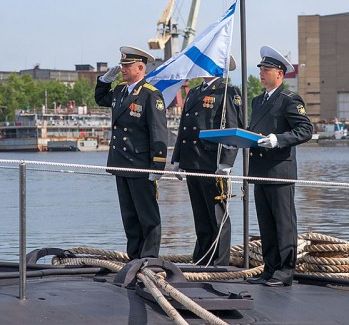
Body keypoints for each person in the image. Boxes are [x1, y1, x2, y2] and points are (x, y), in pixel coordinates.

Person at [246, 45, 313, 287]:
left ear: (280, 74)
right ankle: (270, 268)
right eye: (261, 68)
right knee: (266, 223)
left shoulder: (289, 99)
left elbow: (306, 130)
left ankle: (285, 271)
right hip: (260, 171)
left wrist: (278, 139)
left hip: (280, 170)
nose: (262, 73)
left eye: (267, 69)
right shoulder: (257, 101)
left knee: (284, 222)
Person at [94, 46, 168, 259]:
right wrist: (104, 81)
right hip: (121, 163)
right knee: (129, 216)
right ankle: (134, 256)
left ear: (140, 67)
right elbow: (100, 99)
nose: (122, 69)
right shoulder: (118, 91)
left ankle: (149, 258)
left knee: (148, 216)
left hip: (141, 164)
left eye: (127, 66)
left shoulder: (150, 95)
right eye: (122, 65)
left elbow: (158, 133)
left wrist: (158, 166)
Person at [171, 56, 244, 266]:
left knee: (217, 215)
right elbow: (184, 128)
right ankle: (202, 257)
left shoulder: (228, 91)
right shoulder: (195, 92)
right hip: (192, 161)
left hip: (213, 162)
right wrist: (177, 159)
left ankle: (219, 262)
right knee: (201, 215)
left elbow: (233, 128)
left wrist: (226, 163)